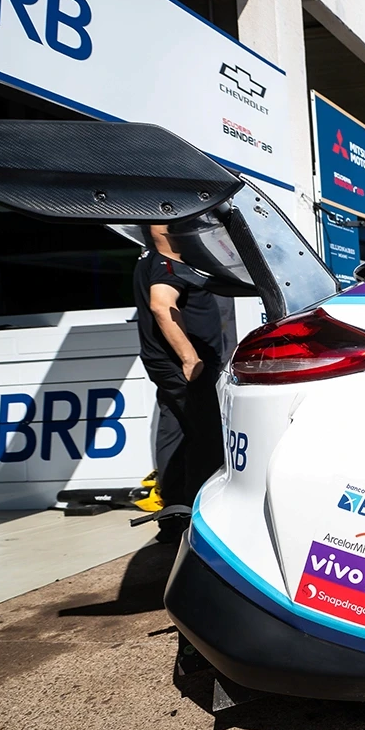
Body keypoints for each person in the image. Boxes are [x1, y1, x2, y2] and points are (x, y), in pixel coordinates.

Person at [133, 225, 226, 540]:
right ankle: (205, 518)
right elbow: (162, 305)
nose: (189, 226)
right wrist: (190, 358)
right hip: (184, 367)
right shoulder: (168, 262)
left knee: (173, 432)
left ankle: (174, 516)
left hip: (165, 365)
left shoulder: (149, 259)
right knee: (205, 439)